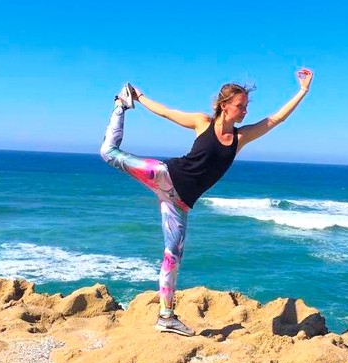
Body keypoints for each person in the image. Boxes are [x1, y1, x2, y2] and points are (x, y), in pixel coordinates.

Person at [100, 68, 314, 336]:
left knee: (172, 257)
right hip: (165, 176)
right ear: (225, 106)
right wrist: (138, 96)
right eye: (240, 106)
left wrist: (303, 91)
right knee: (108, 153)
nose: (245, 111)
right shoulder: (202, 123)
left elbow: (275, 119)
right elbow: (166, 112)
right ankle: (120, 105)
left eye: (246, 106)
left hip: (180, 203)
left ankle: (165, 317)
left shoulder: (240, 138)